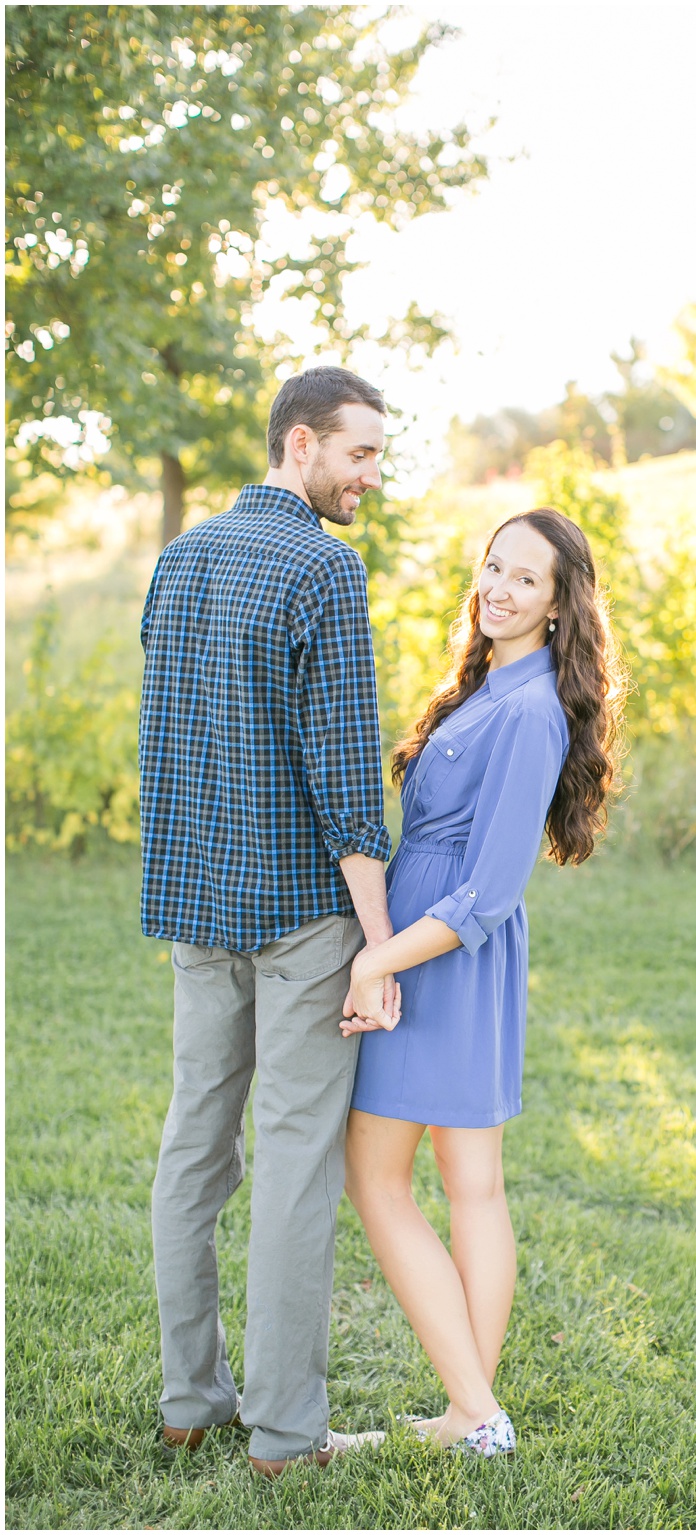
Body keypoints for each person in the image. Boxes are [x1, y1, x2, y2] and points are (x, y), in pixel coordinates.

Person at [142, 365, 399, 1476]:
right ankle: (288, 1435)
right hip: (298, 917)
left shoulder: (180, 558)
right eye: (359, 453)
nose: (370, 477)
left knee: (194, 1143)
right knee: (295, 1162)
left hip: (197, 905)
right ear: (300, 443)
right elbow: (349, 788)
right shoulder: (324, 573)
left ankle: (191, 1399)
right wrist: (378, 948)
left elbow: (172, 723)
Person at [339, 507, 625, 1457]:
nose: (499, 587)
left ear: (558, 605)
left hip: (443, 962)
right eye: (493, 566)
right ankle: (472, 1415)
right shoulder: (488, 684)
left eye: (526, 578)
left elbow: (492, 890)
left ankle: (476, 1409)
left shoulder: (532, 709)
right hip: (435, 951)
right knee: (470, 1188)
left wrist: (377, 958)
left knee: (384, 1179)